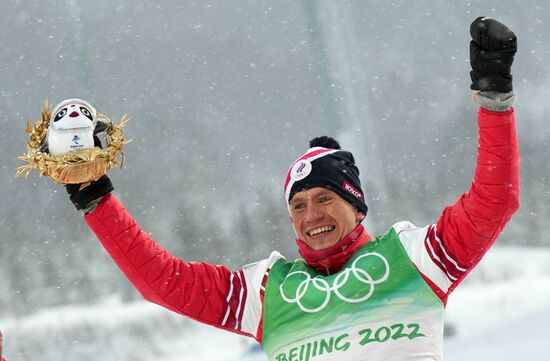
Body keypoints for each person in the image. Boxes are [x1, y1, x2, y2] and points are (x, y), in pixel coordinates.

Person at [59, 17, 519, 361]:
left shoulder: (415, 260)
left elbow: (494, 202)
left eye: (324, 199)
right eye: (297, 205)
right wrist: (94, 196)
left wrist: (495, 100)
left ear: (356, 206)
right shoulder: (266, 292)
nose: (310, 214)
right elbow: (163, 282)